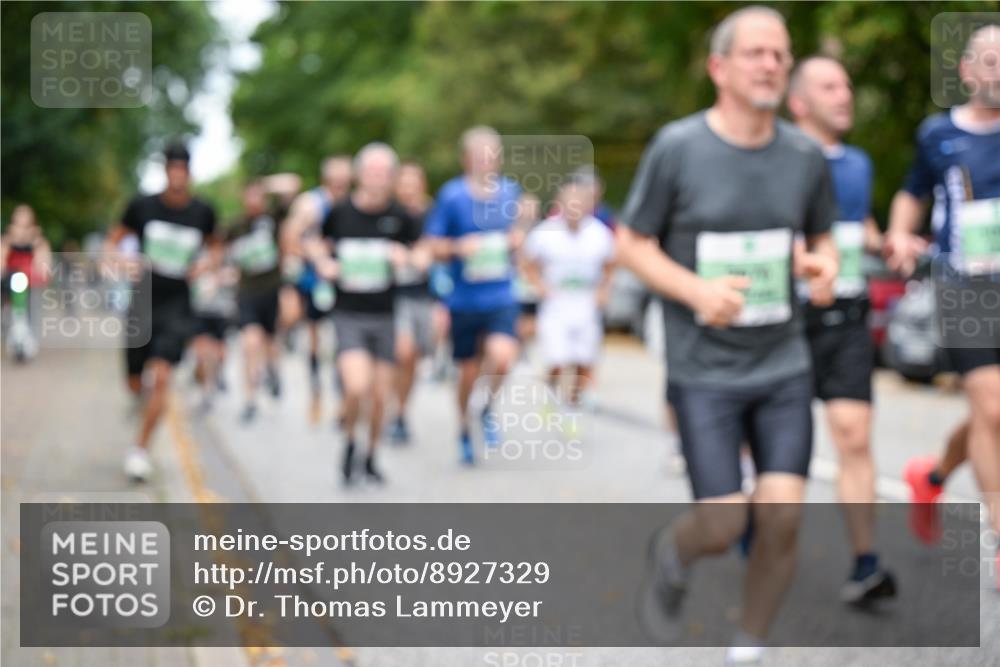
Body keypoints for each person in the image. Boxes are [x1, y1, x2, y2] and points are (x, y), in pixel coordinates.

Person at [616, 7, 838, 660]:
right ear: (720, 68)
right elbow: (631, 243)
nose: (772, 64)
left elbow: (821, 237)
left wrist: (823, 265)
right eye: (756, 54)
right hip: (703, 368)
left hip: (782, 362)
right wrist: (695, 291)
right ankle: (673, 552)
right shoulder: (679, 147)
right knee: (722, 523)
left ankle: (751, 643)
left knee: (783, 516)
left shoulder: (804, 154)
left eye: (781, 54)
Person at [886, 25, 1000, 576]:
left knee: (991, 412)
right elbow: (912, 192)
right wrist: (901, 235)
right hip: (963, 286)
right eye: (991, 60)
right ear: (968, 71)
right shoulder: (938, 134)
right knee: (994, 408)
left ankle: (930, 476)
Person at [787, 55, 897, 603]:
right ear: (799, 103)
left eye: (848, 84)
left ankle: (864, 563)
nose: (845, 94)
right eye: (830, 86)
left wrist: (889, 243)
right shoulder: (777, 157)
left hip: (849, 316)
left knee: (853, 435)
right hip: (787, 322)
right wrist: (802, 265)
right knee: (780, 448)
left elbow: (859, 224)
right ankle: (753, 525)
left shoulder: (856, 162)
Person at [105, 143, 219, 482]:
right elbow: (114, 241)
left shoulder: (203, 212)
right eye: (173, 168)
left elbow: (216, 247)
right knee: (134, 380)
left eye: (183, 168)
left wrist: (207, 264)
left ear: (190, 172)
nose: (178, 175)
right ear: (166, 171)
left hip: (178, 305)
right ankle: (141, 400)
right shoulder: (142, 206)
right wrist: (119, 260)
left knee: (163, 376)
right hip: (143, 298)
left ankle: (139, 450)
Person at [308, 143, 419, 484]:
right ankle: (349, 445)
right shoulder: (339, 212)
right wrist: (322, 262)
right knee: (357, 387)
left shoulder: (401, 217)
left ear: (391, 178)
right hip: (349, 315)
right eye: (371, 172)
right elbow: (313, 241)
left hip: (385, 315)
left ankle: (370, 456)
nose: (377, 179)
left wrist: (409, 258)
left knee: (379, 399)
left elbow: (424, 253)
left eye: (384, 173)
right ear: (359, 175)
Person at [425, 126, 522, 465]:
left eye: (493, 155)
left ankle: (487, 409)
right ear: (467, 159)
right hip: (465, 299)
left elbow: (520, 235)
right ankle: (464, 427)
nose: (487, 162)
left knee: (503, 357)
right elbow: (432, 246)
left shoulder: (511, 192)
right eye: (481, 156)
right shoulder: (451, 196)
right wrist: (457, 247)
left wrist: (517, 240)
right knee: (467, 372)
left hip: (501, 295)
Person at [522, 179, 614, 407]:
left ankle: (572, 404)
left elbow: (611, 264)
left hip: (586, 303)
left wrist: (603, 291)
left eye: (580, 201)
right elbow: (526, 263)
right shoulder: (545, 233)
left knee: (584, 360)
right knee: (558, 359)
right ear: (559, 203)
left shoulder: (599, 233)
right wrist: (540, 286)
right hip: (557, 304)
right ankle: (551, 394)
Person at [282, 156, 353, 422]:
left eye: (345, 182)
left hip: (345, 281)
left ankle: (343, 398)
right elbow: (289, 237)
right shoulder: (310, 203)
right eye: (336, 182)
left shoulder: (352, 204)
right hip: (313, 282)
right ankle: (315, 392)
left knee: (342, 340)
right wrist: (312, 256)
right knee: (314, 339)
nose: (340, 187)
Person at [227, 180, 286, 423]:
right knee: (250, 344)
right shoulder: (235, 227)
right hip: (247, 293)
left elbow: (291, 185)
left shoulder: (272, 219)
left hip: (271, 291)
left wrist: (267, 186)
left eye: (257, 197)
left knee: (270, 342)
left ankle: (273, 371)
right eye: (249, 196)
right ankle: (250, 399)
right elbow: (221, 252)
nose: (253, 201)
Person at [388, 160, 436, 444]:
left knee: (413, 359)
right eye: (402, 182)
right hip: (394, 295)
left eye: (412, 182)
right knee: (402, 351)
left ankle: (401, 412)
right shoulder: (388, 213)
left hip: (425, 295)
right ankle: (393, 409)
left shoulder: (434, 214)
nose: (407, 188)